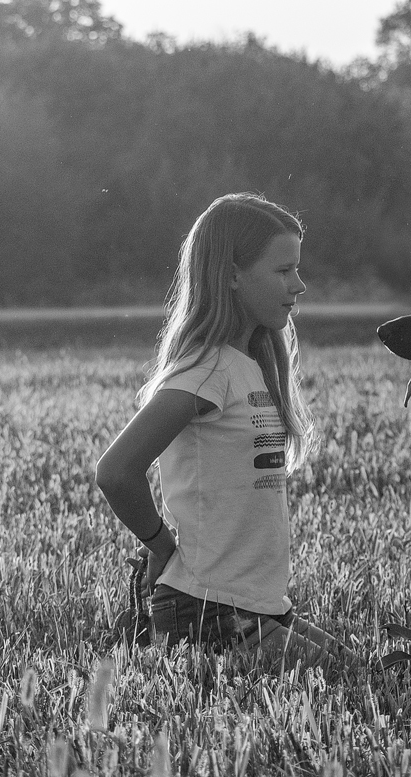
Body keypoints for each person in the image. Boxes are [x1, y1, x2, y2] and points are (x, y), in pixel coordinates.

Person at [96, 192, 354, 668]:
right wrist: (160, 545)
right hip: (206, 609)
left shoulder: (248, 365)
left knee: (370, 673)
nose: (299, 285)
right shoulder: (206, 369)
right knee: (358, 685)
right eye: (282, 271)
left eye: (297, 269)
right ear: (232, 274)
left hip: (252, 604)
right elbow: (116, 471)